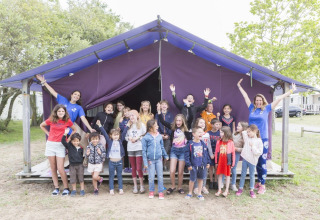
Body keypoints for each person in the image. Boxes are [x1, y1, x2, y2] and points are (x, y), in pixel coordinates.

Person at [237, 78, 297, 194]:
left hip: (262, 138)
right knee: (253, 159)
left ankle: (262, 184)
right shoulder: (251, 108)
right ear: (255, 101)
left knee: (261, 161)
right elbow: (245, 96)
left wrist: (291, 91)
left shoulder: (267, 108)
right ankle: (258, 182)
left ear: (263, 101)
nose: (258, 102)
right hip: (251, 139)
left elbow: (279, 98)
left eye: (260, 100)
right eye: (257, 100)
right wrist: (239, 86)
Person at [39, 104, 76, 196]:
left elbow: (74, 130)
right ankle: (56, 188)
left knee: (60, 168)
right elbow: (41, 125)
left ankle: (66, 188)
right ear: (56, 112)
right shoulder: (51, 119)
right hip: (51, 145)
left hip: (60, 145)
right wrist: (48, 133)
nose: (61, 113)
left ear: (65, 112)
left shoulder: (67, 121)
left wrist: (69, 139)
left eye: (62, 111)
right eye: (59, 111)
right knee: (53, 168)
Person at [157, 113, 192, 195]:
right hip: (174, 151)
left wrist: (189, 106)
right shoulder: (173, 127)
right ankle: (173, 186)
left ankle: (180, 187)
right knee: (172, 171)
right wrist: (159, 113)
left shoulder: (186, 128)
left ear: (183, 121)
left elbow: (191, 117)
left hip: (183, 151)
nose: (178, 122)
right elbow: (163, 121)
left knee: (180, 172)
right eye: (177, 120)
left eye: (180, 120)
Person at [96, 120, 129, 195]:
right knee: (111, 176)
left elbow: (123, 133)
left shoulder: (120, 141)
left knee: (119, 175)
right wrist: (100, 125)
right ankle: (111, 189)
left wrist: (128, 126)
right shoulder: (109, 141)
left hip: (119, 162)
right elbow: (104, 133)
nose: (116, 136)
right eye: (114, 135)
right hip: (112, 162)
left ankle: (120, 188)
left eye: (117, 134)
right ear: (111, 136)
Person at [142, 119, 169, 199]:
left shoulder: (159, 136)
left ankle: (160, 192)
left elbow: (162, 147)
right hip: (150, 161)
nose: (157, 126)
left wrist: (165, 155)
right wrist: (145, 163)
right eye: (156, 125)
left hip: (159, 160)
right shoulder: (146, 138)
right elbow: (144, 151)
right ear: (150, 128)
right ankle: (151, 191)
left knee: (160, 176)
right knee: (151, 177)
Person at [236, 124, 263, 198]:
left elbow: (258, 152)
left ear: (255, 131)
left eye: (250, 132)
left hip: (253, 161)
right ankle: (240, 188)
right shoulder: (247, 138)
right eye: (248, 132)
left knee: (252, 175)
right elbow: (244, 132)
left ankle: (251, 190)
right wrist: (248, 129)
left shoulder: (259, 141)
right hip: (245, 159)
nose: (248, 133)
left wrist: (253, 146)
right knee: (243, 174)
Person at [184, 127, 211, 200]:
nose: (201, 133)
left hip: (202, 165)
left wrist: (208, 162)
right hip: (193, 166)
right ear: (193, 134)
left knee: (201, 179)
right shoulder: (190, 144)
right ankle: (190, 192)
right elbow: (186, 155)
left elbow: (206, 154)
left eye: (201, 132)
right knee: (192, 179)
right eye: (199, 132)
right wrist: (188, 164)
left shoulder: (203, 144)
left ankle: (199, 193)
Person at [125, 110, 147, 194]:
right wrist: (129, 139)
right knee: (133, 168)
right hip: (130, 148)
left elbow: (145, 135)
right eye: (130, 115)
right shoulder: (128, 126)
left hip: (139, 147)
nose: (131, 117)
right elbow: (125, 136)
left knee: (138, 168)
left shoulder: (141, 125)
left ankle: (142, 185)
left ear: (137, 116)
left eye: (133, 115)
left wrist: (137, 138)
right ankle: (135, 185)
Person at [61, 131, 85, 196]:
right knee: (73, 178)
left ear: (79, 141)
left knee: (81, 177)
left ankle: (82, 190)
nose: (76, 142)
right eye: (74, 141)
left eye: (77, 141)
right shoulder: (69, 147)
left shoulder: (81, 148)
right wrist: (65, 134)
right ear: (71, 141)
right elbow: (63, 141)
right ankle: (74, 190)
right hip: (72, 166)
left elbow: (82, 156)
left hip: (80, 165)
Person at [193, 118, 212, 195]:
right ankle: (196, 187)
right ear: (197, 124)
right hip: (197, 156)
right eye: (201, 122)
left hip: (205, 156)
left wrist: (211, 154)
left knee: (204, 172)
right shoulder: (195, 133)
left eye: (204, 123)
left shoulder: (207, 134)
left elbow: (209, 146)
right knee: (197, 172)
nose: (202, 124)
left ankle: (203, 186)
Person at [215, 126, 235, 198]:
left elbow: (233, 153)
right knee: (219, 175)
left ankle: (226, 190)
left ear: (226, 133)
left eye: (222, 132)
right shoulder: (218, 141)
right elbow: (216, 152)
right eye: (220, 132)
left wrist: (232, 163)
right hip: (220, 162)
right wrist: (216, 162)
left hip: (227, 162)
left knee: (227, 176)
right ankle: (219, 189)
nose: (220, 133)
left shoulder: (230, 142)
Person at [155, 100, 174, 171]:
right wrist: (160, 134)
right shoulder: (157, 115)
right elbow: (156, 125)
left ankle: (165, 165)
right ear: (160, 106)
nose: (164, 106)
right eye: (162, 104)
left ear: (167, 106)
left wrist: (168, 135)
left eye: (165, 104)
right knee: (159, 151)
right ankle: (159, 165)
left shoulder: (170, 114)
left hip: (168, 136)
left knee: (166, 151)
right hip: (160, 136)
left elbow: (171, 125)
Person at [230, 121, 248, 192]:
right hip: (229, 152)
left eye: (239, 126)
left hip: (236, 153)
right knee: (227, 166)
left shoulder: (245, 137)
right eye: (237, 126)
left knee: (233, 167)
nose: (237, 127)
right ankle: (222, 182)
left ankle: (233, 184)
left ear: (243, 128)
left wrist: (237, 149)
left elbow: (245, 148)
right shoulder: (234, 134)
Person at [207, 118, 221, 190]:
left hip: (217, 153)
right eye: (216, 124)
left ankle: (216, 181)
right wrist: (210, 153)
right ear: (212, 125)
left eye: (219, 124)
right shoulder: (208, 133)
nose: (217, 126)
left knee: (216, 167)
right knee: (211, 167)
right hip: (210, 152)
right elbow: (207, 144)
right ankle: (211, 181)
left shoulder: (220, 133)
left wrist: (217, 152)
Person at [119, 106, 131, 173]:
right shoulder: (122, 120)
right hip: (124, 139)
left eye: (127, 111)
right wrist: (120, 123)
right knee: (125, 153)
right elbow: (122, 130)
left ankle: (132, 166)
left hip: (132, 138)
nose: (126, 113)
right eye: (124, 112)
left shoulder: (132, 119)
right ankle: (126, 166)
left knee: (131, 153)